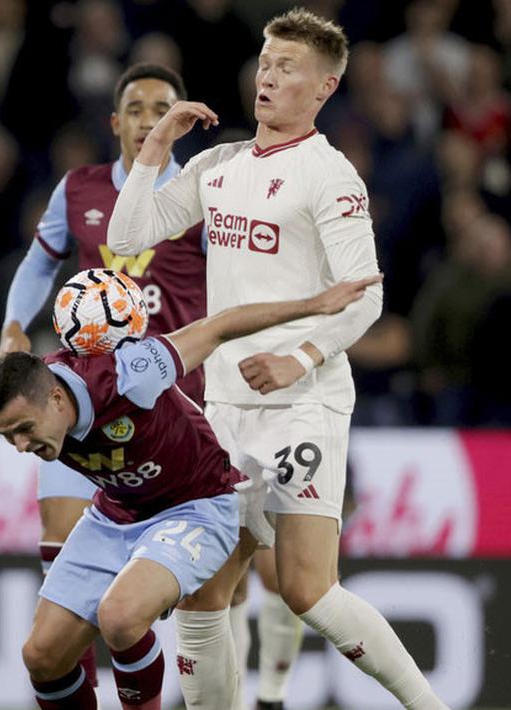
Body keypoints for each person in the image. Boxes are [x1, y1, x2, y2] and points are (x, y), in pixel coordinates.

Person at [0, 273, 379, 709]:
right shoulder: (16, 386)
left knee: (121, 617)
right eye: (7, 437)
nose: (21, 446)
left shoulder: (133, 372)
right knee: (41, 657)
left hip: (198, 506)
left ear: (55, 397)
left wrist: (314, 306)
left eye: (24, 431)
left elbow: (218, 326)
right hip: (116, 515)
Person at [107, 9, 447, 710]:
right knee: (205, 589)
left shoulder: (331, 177)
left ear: (322, 88)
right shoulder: (218, 166)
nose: (268, 77)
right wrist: (154, 149)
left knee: (304, 588)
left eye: (286, 67)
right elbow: (128, 234)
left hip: (301, 405)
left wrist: (299, 356)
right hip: (224, 407)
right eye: (265, 63)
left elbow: (364, 298)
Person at [0, 62, 204, 690]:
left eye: (161, 107)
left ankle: (227, 687)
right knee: (58, 532)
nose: (148, 119)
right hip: (80, 396)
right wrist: (13, 324)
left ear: (181, 121)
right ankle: (74, 680)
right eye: (136, 108)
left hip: (170, 404)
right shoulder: (79, 188)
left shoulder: (202, 195)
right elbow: (40, 262)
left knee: (206, 593)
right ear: (116, 122)